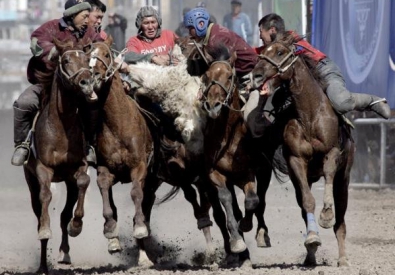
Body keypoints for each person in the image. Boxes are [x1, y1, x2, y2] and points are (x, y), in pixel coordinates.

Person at [11, 0, 103, 166]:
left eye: (88, 16)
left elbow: (100, 46)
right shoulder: (50, 27)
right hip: (46, 84)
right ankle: (22, 145)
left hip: (78, 87)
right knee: (22, 103)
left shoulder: (89, 32)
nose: (87, 20)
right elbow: (36, 43)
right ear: (72, 15)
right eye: (84, 16)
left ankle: (90, 145)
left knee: (95, 106)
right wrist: (55, 51)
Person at [257, 13, 390, 119]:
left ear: (272, 30)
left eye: (261, 31)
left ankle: (374, 101)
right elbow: (254, 54)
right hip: (302, 81)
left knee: (341, 102)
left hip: (323, 70)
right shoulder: (271, 50)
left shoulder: (289, 41)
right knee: (278, 101)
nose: (259, 36)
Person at [184, 7, 268, 138]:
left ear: (200, 24)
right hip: (236, 77)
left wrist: (203, 87)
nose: (189, 33)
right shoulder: (213, 34)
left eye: (190, 28)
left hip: (250, 78)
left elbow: (223, 71)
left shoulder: (215, 40)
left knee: (250, 120)